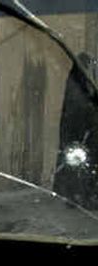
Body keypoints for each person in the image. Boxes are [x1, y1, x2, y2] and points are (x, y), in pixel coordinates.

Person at [53, 52, 98, 209]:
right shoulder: (78, 82)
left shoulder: (76, 80)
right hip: (77, 132)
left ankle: (76, 196)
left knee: (74, 164)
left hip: (75, 132)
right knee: (79, 164)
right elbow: (80, 107)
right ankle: (79, 197)